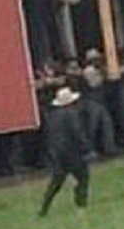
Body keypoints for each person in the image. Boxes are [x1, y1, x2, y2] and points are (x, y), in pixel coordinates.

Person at [38, 87, 91, 217]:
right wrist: (87, 148)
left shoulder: (52, 117)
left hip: (58, 153)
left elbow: (49, 136)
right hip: (73, 152)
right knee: (83, 178)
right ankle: (81, 207)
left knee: (56, 182)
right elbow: (77, 133)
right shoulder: (72, 114)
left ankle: (44, 208)